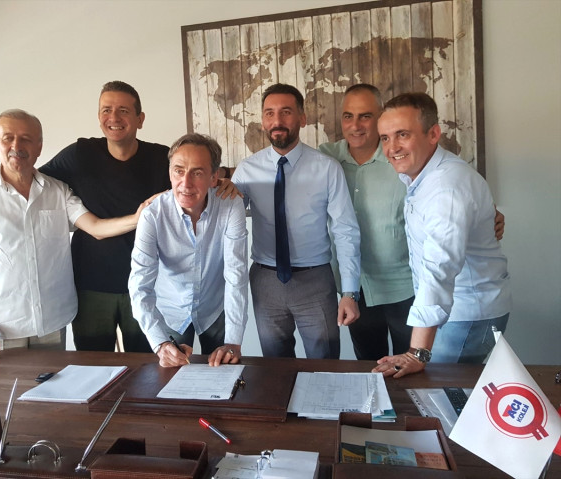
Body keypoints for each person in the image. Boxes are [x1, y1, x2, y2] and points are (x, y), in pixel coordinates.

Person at [0, 110, 159, 360]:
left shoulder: (58, 190)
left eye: (26, 139)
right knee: (0, 388)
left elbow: (95, 227)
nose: (17, 145)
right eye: (8, 138)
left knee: (51, 384)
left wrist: (137, 217)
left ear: (39, 146)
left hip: (51, 323)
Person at [372, 92, 511, 377]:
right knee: (449, 392)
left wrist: (417, 352)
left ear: (433, 134)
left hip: (466, 314)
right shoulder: (423, 176)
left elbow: (438, 268)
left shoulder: (445, 187)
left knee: (442, 392)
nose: (392, 147)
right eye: (385, 138)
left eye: (402, 135)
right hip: (458, 310)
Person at [232, 83, 361, 359]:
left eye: (286, 112)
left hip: (316, 281)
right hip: (266, 281)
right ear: (263, 121)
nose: (277, 121)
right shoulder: (246, 170)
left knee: (325, 364)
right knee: (275, 368)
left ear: (302, 118)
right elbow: (227, 223)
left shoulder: (327, 168)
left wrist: (349, 292)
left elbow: (345, 230)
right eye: (269, 113)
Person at [129, 133, 248, 368]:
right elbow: (139, 285)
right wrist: (160, 343)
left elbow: (236, 275)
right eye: (179, 171)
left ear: (214, 177)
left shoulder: (231, 206)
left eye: (198, 173)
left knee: (224, 372)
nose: (185, 183)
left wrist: (233, 342)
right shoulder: (152, 215)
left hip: (215, 310)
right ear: (169, 173)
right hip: (171, 312)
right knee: (172, 378)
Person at [319, 84, 414, 360]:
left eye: (365, 116)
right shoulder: (325, 158)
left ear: (380, 117)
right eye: (348, 116)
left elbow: (446, 182)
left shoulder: (401, 157)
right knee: (370, 368)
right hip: (356, 289)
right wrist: (227, 178)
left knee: (411, 370)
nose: (355, 125)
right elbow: (282, 165)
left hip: (405, 288)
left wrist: (486, 211)